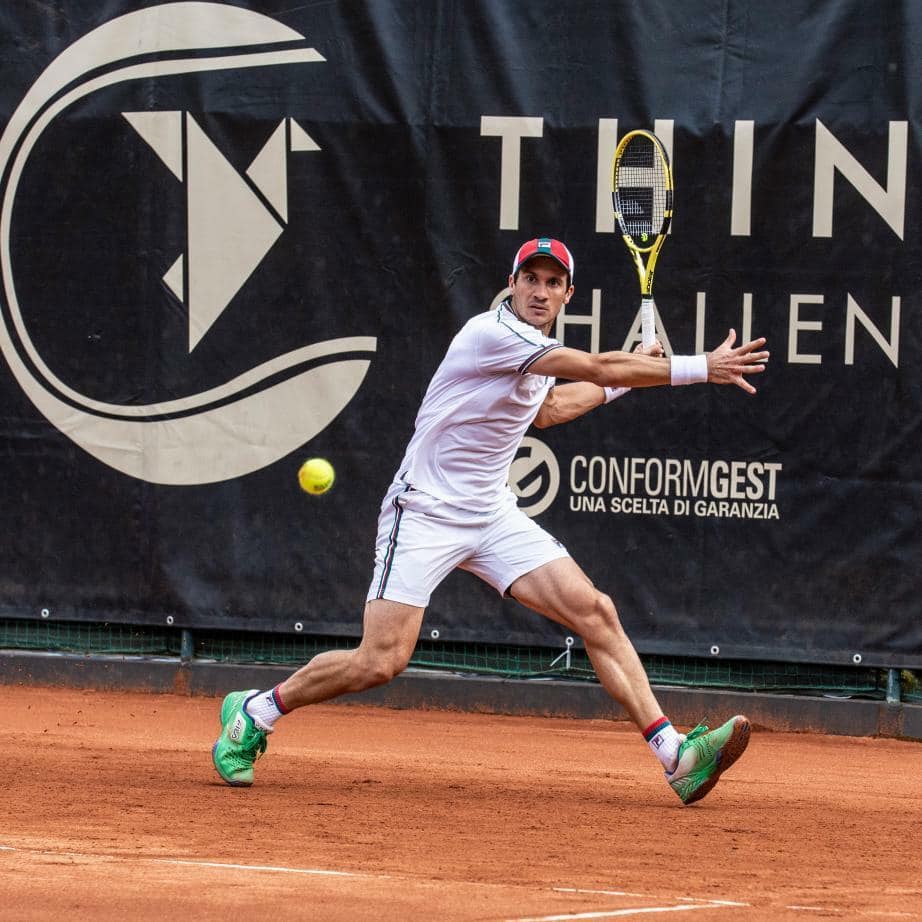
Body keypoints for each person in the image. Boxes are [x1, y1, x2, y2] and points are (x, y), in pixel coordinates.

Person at [212, 237, 769, 805]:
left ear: (566, 295)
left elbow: (548, 410)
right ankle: (254, 711)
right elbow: (599, 364)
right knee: (381, 660)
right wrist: (701, 367)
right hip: (425, 510)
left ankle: (675, 756)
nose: (540, 291)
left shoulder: (534, 349)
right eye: (531, 279)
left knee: (595, 611)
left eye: (553, 283)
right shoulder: (491, 333)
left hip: (489, 511)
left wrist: (623, 381)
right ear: (513, 283)